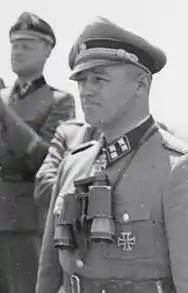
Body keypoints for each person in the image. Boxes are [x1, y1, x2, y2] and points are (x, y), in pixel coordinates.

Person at [36, 17, 188, 293]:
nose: (86, 90)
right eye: (82, 80)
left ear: (141, 85)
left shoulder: (182, 170)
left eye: (99, 79)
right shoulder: (72, 165)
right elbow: (49, 277)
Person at [0, 12, 74, 293]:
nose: (17, 51)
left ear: (47, 51)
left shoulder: (60, 101)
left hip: (25, 223)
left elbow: (44, 159)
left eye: (27, 45)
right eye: (14, 45)